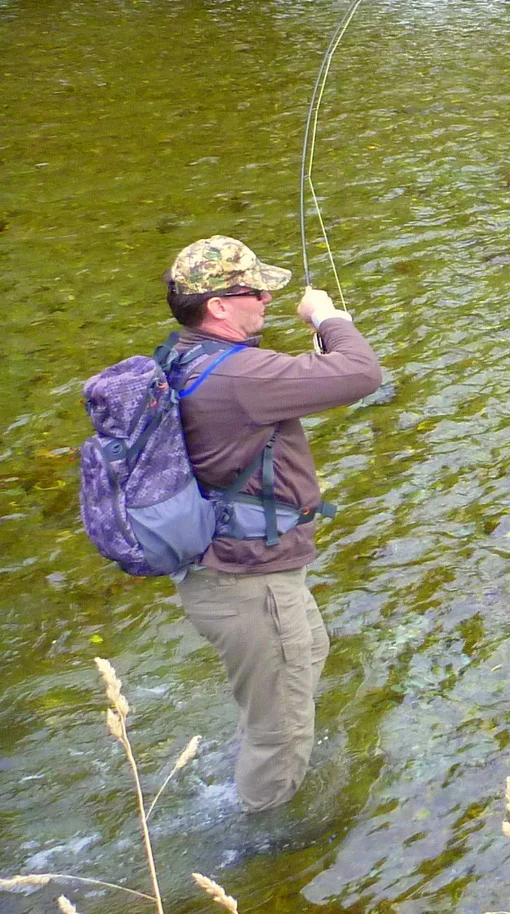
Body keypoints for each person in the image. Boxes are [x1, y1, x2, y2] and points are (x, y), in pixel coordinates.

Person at [161, 235, 381, 813]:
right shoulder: (242, 377)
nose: (265, 299)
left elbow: (314, 379)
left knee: (305, 658)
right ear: (218, 306)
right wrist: (328, 316)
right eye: (254, 291)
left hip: (228, 572)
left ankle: (248, 777)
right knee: (279, 733)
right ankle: (264, 844)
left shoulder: (184, 356)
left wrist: (324, 347)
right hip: (248, 581)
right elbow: (361, 374)